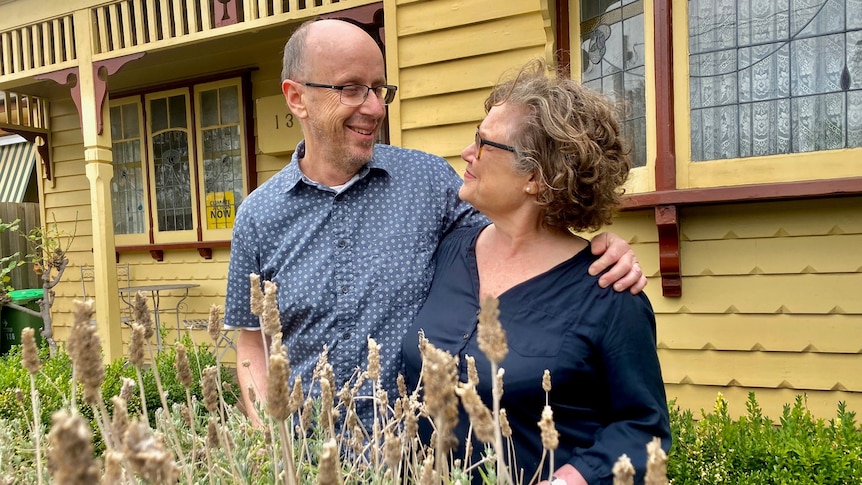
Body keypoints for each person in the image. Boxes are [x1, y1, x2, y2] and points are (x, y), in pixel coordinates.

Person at [224, 19, 645, 429]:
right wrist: (270, 435)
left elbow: (523, 230)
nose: (373, 108)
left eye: (379, 89)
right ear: (296, 98)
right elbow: (251, 340)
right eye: (352, 89)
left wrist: (600, 244)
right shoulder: (259, 216)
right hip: (310, 459)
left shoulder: (429, 183)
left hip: (417, 460)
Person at [401, 59, 670, 485]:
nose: (467, 154)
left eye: (484, 143)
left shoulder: (609, 292)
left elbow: (642, 429)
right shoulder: (449, 251)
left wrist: (569, 482)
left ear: (538, 178)